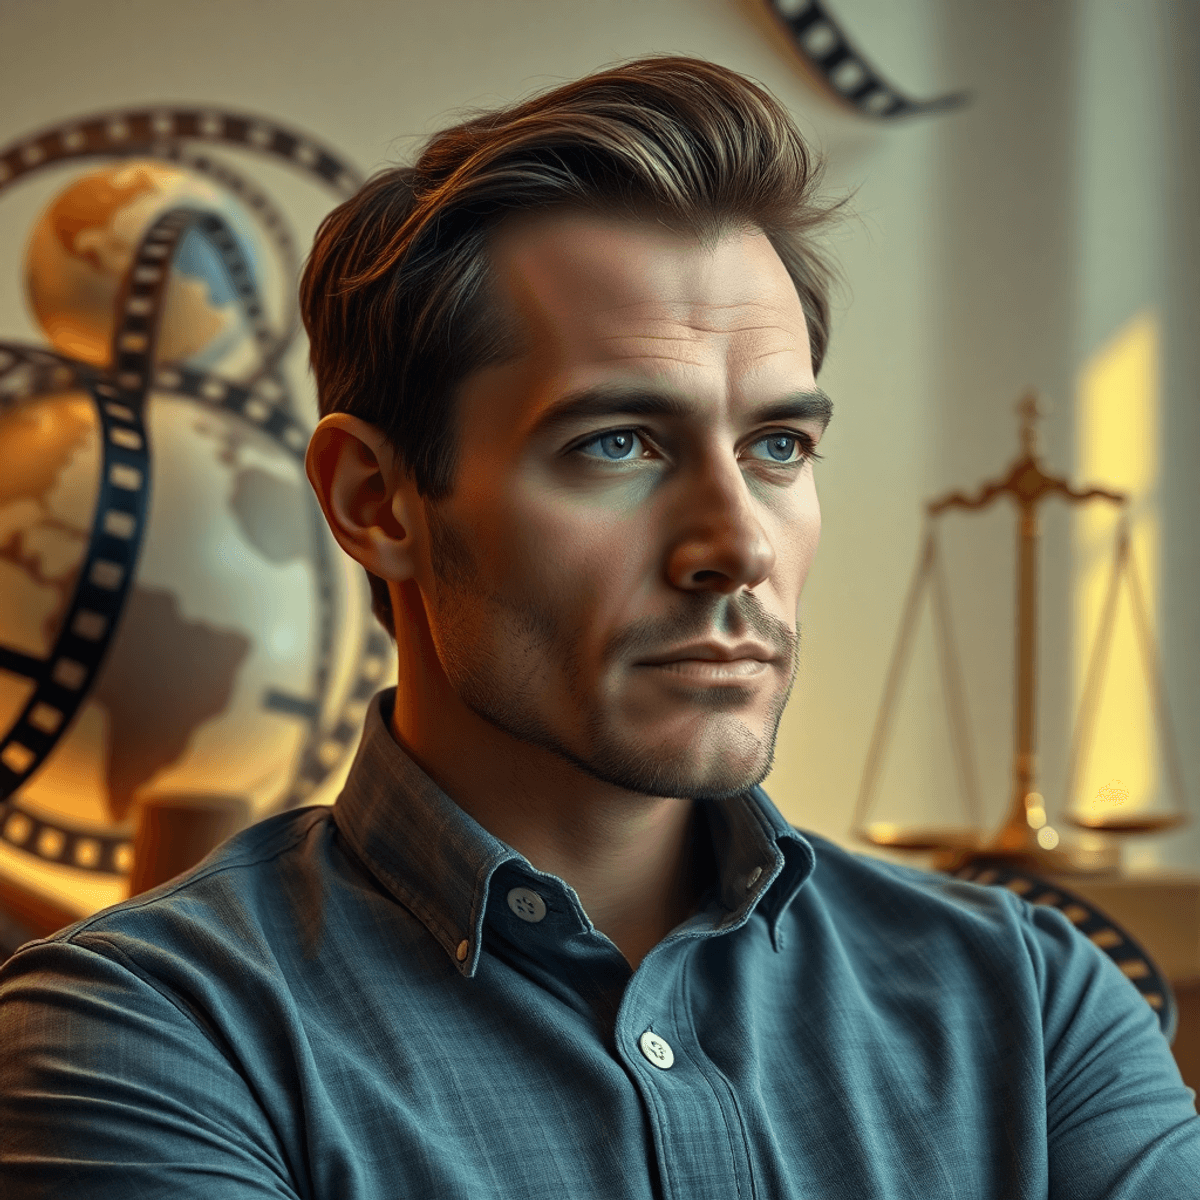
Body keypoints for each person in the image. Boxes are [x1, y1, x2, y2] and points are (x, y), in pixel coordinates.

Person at [1, 56, 1198, 1200]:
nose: (736, 546)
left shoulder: (1035, 1009)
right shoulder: (141, 1037)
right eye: (616, 444)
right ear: (377, 503)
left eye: (778, 446)